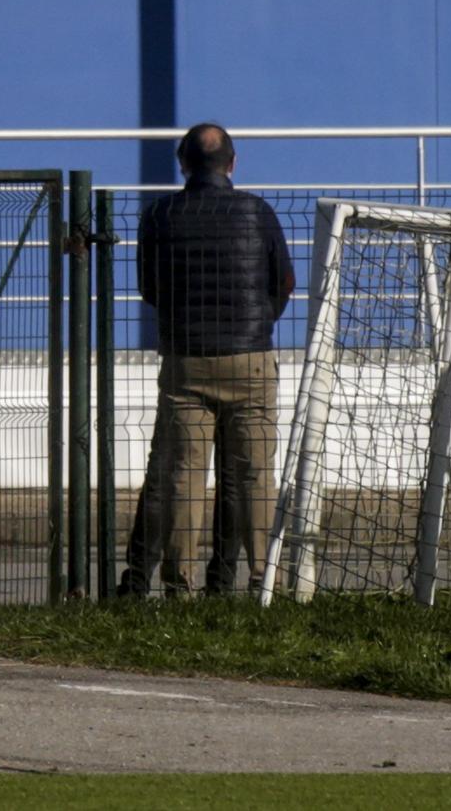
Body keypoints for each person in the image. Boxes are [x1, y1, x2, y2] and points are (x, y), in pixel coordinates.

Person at [120, 123, 296, 596]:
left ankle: (180, 587)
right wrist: (259, 323)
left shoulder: (160, 216)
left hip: (186, 362)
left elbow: (149, 288)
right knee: (255, 475)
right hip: (250, 359)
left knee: (184, 476)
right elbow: (283, 283)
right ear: (232, 164)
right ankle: (264, 583)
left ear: (183, 164)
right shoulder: (257, 213)